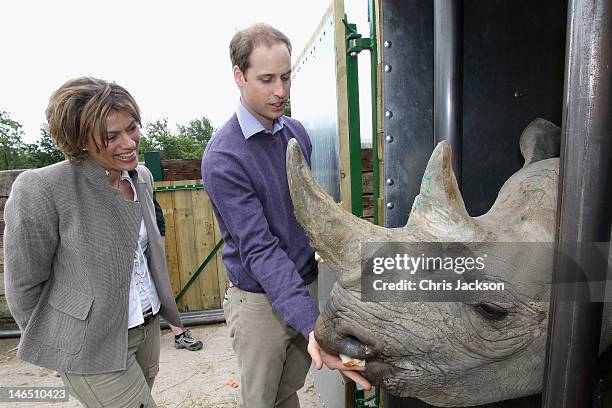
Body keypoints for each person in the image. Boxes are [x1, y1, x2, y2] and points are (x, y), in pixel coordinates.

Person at [201, 23, 371, 408]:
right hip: (259, 300)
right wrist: (313, 323)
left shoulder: (296, 133)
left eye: (286, 76)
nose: (280, 91)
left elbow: (308, 212)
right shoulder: (224, 157)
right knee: (261, 400)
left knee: (287, 391)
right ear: (238, 76)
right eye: (266, 79)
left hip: (303, 284)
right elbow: (260, 250)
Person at [4, 77, 183, 407]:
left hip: (145, 327)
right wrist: (57, 345)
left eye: (132, 128)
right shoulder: (42, 188)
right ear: (80, 140)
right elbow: (23, 285)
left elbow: (143, 255)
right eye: (111, 136)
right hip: (89, 343)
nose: (129, 142)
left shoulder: (141, 177)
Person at [153, 196, 204, 351]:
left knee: (159, 279)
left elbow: (153, 209)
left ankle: (178, 333)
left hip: (151, 229)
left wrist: (159, 231)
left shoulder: (140, 175)